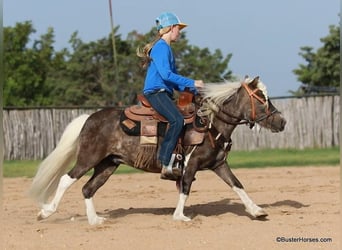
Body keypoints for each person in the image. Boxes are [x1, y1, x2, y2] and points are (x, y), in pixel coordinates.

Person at [137, 12, 204, 180]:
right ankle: (165, 162)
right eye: (178, 29)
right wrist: (192, 82)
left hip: (163, 92)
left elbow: (173, 81)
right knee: (177, 120)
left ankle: (177, 160)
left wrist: (193, 90)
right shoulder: (161, 47)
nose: (179, 32)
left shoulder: (165, 48)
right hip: (155, 93)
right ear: (171, 28)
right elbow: (167, 75)